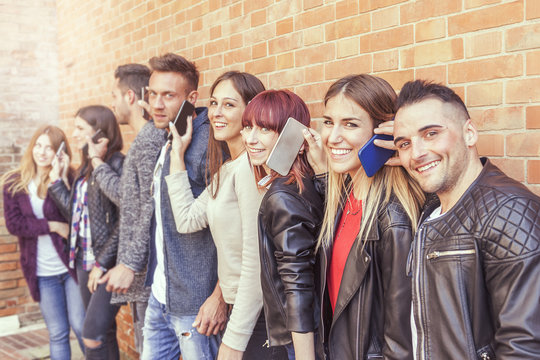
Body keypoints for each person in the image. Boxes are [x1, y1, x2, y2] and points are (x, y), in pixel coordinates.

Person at [393, 80, 540, 359]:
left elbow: (525, 348)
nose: (417, 153)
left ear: (469, 133)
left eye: (432, 133)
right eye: (404, 143)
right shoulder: (434, 209)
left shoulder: (510, 211)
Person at [101, 53, 224, 360]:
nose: (156, 104)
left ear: (191, 97)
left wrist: (219, 296)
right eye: (152, 94)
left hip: (194, 306)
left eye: (168, 95)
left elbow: (237, 228)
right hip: (160, 295)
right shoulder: (169, 136)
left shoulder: (209, 144)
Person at [305, 74, 425, 359]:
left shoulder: (394, 218)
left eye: (350, 124)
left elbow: (400, 343)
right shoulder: (343, 196)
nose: (332, 137)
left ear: (381, 132)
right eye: (328, 122)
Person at [167, 71, 280, 359]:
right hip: (242, 311)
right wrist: (177, 153)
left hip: (258, 315)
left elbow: (255, 260)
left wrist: (234, 340)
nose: (216, 112)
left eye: (228, 105)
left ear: (250, 111)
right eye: (214, 103)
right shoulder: (229, 169)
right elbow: (187, 218)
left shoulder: (249, 169)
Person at [241, 90, 323, 359]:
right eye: (248, 127)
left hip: (297, 342)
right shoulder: (304, 184)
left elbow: (297, 283)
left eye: (264, 129)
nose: (250, 139)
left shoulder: (282, 196)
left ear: (296, 137)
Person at [88, 63, 157, 355]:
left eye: (114, 96)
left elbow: (148, 209)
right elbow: (131, 201)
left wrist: (128, 264)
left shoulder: (149, 142)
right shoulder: (143, 141)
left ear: (130, 96)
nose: (112, 103)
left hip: (145, 274)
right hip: (138, 275)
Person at [2, 125, 85, 360]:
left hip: (70, 267)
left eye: (49, 147)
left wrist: (62, 179)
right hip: (42, 271)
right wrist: (52, 226)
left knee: (80, 326)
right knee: (58, 333)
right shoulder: (14, 182)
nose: (42, 152)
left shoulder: (70, 177)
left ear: (59, 152)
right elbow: (15, 224)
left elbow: (76, 217)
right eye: (38, 145)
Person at [48, 105, 124, 359]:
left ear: (100, 133)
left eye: (81, 128)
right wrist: (57, 181)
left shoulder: (115, 163)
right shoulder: (85, 168)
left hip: (106, 264)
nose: (74, 133)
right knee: (105, 332)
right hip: (83, 261)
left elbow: (124, 222)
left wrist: (102, 263)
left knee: (90, 333)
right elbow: (78, 215)